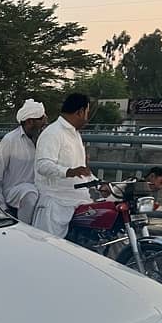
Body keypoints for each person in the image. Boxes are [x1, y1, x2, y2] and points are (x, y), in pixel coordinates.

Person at [32, 93, 95, 238]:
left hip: (79, 201)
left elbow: (80, 170)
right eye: (87, 113)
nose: (87, 118)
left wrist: (97, 184)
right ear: (80, 112)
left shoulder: (75, 135)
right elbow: (42, 165)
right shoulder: (53, 133)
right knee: (49, 251)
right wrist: (69, 172)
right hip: (56, 203)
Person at [0, 99, 47, 224]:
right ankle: (25, 232)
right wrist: (1, 206)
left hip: (40, 189)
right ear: (30, 122)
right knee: (29, 194)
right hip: (14, 191)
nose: (45, 122)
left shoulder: (44, 140)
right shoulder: (10, 140)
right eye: (41, 119)